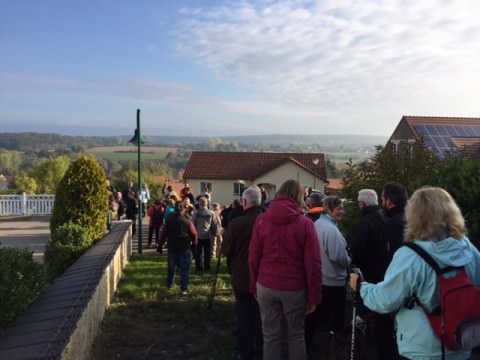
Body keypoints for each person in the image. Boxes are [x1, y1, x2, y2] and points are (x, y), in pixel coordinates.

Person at [349, 187, 480, 360]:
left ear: (414, 215)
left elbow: (386, 300)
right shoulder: (467, 248)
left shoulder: (412, 255)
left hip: (422, 347)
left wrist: (361, 287)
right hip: (461, 341)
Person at [249, 179, 322, 360]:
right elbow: (313, 264)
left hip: (266, 284)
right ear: (299, 197)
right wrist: (314, 296)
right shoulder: (305, 224)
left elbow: (253, 257)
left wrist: (254, 285)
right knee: (296, 335)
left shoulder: (261, 220)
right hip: (294, 287)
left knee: (270, 336)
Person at [222, 186, 264, 360]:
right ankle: (262, 351)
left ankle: (245, 352)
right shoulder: (268, 221)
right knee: (262, 317)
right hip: (264, 278)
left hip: (242, 277)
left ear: (245, 202)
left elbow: (225, 251)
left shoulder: (236, 224)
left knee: (244, 315)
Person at [307, 195, 350, 352]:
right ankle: (335, 348)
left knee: (315, 314)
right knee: (335, 318)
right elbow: (338, 256)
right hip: (333, 279)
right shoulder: (331, 230)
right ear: (329, 209)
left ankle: (309, 343)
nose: (342, 212)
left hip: (320, 277)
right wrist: (348, 259)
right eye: (339, 208)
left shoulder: (318, 224)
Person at [159, 202, 197, 295]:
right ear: (183, 209)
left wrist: (160, 245)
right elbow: (194, 233)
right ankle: (184, 289)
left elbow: (163, 234)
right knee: (184, 269)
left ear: (174, 209)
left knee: (171, 268)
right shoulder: (187, 220)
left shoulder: (169, 220)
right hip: (184, 246)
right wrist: (194, 244)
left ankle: (169, 285)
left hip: (172, 246)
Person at [192, 196, 218, 271]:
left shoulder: (196, 213)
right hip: (208, 235)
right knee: (207, 252)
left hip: (198, 235)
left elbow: (193, 224)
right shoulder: (211, 213)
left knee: (198, 252)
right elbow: (214, 224)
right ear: (207, 203)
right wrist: (214, 233)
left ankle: (199, 267)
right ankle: (207, 266)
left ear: (199, 203)